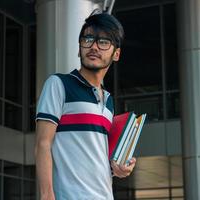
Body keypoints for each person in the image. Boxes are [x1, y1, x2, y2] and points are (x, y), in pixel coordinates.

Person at [35, 10, 136, 200]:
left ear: (116, 54)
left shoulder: (108, 101)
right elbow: (43, 143)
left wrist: (119, 168)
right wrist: (46, 195)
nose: (94, 47)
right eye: (88, 39)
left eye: (104, 42)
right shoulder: (59, 84)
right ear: (79, 47)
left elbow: (97, 158)